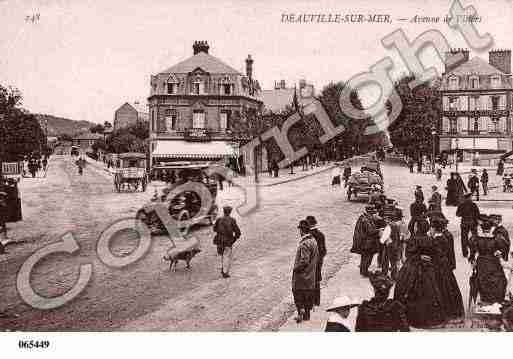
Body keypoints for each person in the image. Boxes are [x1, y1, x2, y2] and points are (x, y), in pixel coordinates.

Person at [393, 218, 447, 328]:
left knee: (408, 289)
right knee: (430, 291)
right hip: (427, 269)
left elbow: (408, 255)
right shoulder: (430, 239)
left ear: (418, 227)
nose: (415, 227)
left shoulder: (414, 239)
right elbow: (436, 254)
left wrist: (418, 256)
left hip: (413, 268)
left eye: (416, 226)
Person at [430, 218, 465, 321]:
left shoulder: (436, 240)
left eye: (431, 228)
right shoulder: (444, 238)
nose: (430, 230)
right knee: (448, 286)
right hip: (445, 266)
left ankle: (443, 311)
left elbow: (437, 254)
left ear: (435, 229)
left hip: (438, 266)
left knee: (440, 287)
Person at [469, 216, 509, 304]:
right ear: (491, 228)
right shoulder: (496, 239)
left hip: (481, 261)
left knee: (484, 280)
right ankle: (495, 300)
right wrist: (500, 253)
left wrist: (473, 260)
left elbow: (472, 251)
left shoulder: (476, 238)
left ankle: (486, 299)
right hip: (493, 261)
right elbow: (505, 247)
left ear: (482, 228)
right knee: (498, 280)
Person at [292, 220, 319, 323]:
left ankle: (300, 313)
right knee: (307, 294)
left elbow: (304, 261)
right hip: (311, 274)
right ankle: (306, 315)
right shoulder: (313, 241)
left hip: (302, 275)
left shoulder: (304, 243)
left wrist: (296, 269)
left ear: (302, 231)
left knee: (297, 293)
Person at [351, 205, 381, 277]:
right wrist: (379, 230)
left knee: (365, 256)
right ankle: (364, 272)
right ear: (369, 213)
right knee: (367, 257)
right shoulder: (366, 220)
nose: (374, 215)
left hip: (364, 241)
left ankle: (363, 270)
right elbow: (370, 231)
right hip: (367, 242)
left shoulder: (363, 217)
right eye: (373, 213)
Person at [213, 206, 241, 278]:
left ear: (224, 211)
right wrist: (234, 238)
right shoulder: (232, 220)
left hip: (219, 240)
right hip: (228, 241)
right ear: (230, 212)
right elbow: (237, 232)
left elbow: (214, 229)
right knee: (227, 256)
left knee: (220, 255)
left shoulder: (219, 219)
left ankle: (221, 270)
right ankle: (225, 273)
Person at [306, 215, 326, 307]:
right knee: (317, 280)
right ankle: (317, 301)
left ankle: (310, 302)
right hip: (318, 262)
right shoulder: (321, 235)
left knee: (308, 282)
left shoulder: (308, 237)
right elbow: (324, 251)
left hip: (310, 263)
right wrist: (319, 260)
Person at [380, 208, 403, 280]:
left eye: (386, 219)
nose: (385, 220)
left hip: (388, 247)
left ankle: (384, 274)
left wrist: (381, 235)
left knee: (385, 261)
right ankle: (394, 276)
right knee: (393, 262)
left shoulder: (388, 227)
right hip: (395, 246)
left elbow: (382, 240)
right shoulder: (395, 225)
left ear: (388, 219)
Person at [456, 192, 480, 258]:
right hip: (473, 223)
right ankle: (475, 250)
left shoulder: (461, 205)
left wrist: (463, 213)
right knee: (475, 237)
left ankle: (465, 253)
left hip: (464, 223)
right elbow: (477, 214)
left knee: (464, 238)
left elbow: (457, 214)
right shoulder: (473, 205)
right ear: (469, 197)